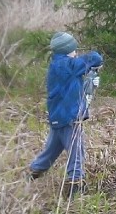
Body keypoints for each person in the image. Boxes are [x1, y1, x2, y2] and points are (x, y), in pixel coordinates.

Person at [28, 31, 103, 197]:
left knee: (52, 149)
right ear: (68, 50)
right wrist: (92, 60)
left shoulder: (56, 65)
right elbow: (95, 58)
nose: (76, 52)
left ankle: (34, 171)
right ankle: (76, 183)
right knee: (77, 149)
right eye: (74, 49)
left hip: (57, 116)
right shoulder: (70, 65)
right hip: (70, 117)